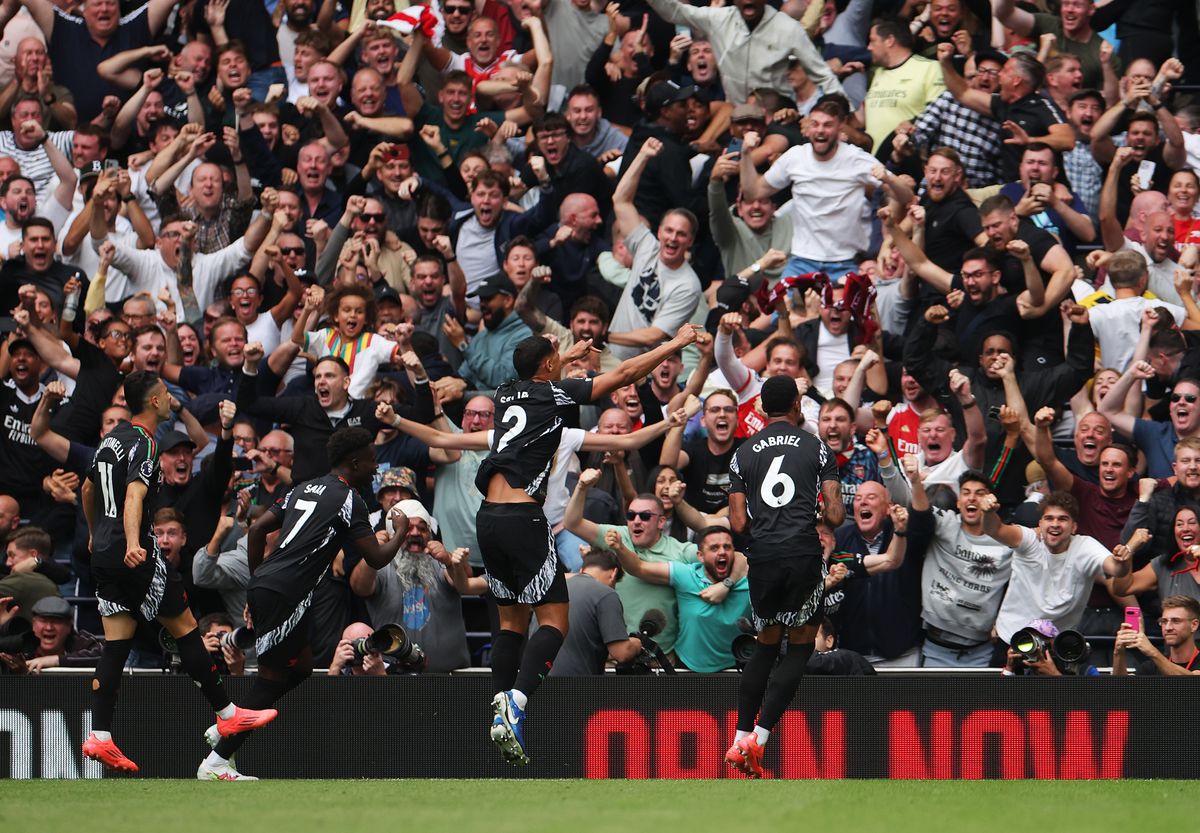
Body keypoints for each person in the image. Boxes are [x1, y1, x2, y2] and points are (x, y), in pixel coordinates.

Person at [478, 324, 698, 765]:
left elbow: (538, 379)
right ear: (547, 366)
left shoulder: (503, 394)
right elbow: (625, 374)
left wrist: (565, 356)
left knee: (511, 623)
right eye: (554, 358)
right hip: (523, 516)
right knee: (555, 622)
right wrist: (676, 343)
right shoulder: (555, 393)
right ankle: (517, 702)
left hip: (487, 518)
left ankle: (501, 706)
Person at [79, 370, 277, 775]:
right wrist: (132, 542)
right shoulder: (145, 441)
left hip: (103, 554)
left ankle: (99, 734)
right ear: (154, 402)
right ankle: (227, 714)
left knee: (116, 643)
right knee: (186, 628)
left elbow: (87, 489)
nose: (171, 401)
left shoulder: (110, 441)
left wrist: (95, 534)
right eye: (166, 395)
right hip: (133, 550)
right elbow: (134, 495)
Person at [200, 427, 412, 779]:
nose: (376, 467)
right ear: (354, 462)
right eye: (371, 460)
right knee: (270, 678)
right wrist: (401, 530)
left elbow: (257, 530)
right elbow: (376, 558)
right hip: (286, 592)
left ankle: (227, 729)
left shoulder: (303, 488)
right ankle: (217, 758)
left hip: (269, 583)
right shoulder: (350, 500)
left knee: (300, 667)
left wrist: (257, 583)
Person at [724, 375, 844, 778]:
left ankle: (739, 738)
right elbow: (835, 516)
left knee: (766, 643)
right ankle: (757, 741)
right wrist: (817, 509)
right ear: (796, 406)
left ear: (761, 408)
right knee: (800, 646)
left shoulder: (743, 453)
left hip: (763, 557)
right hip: (802, 554)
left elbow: (737, 523)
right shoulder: (817, 447)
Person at [738, 95, 879, 281]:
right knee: (781, 301)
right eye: (815, 124)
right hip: (802, 261)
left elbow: (898, 193)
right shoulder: (795, 157)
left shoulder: (855, 158)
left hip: (847, 261)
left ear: (839, 128)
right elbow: (753, 192)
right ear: (808, 128)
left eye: (827, 125)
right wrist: (745, 154)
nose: (820, 130)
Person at [983, 491, 1132, 645]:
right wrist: (988, 513)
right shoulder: (1029, 540)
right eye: (1049, 518)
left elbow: (1116, 569)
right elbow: (994, 529)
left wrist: (1125, 556)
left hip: (1057, 644)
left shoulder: (1085, 546)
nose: (1055, 524)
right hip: (1012, 637)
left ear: (1074, 527)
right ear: (1040, 524)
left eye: (1062, 519)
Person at [604, 523, 750, 673]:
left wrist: (727, 584)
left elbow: (745, 558)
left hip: (736, 666)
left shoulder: (749, 583)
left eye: (727, 547)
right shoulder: (686, 575)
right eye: (714, 548)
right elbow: (639, 567)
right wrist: (620, 548)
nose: (722, 552)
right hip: (688, 667)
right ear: (700, 556)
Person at [549, 549, 643, 676]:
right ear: (613, 574)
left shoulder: (556, 589)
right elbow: (622, 653)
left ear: (582, 570)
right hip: (574, 684)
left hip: (537, 681)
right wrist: (636, 644)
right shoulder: (606, 593)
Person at [1113, 595, 1200, 676]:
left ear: (1194, 625)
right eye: (1164, 621)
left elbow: (1191, 684)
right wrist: (1118, 653)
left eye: (1176, 621)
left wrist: (1152, 652)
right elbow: (1123, 687)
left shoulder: (1155, 657)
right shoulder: (1151, 667)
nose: (1168, 627)